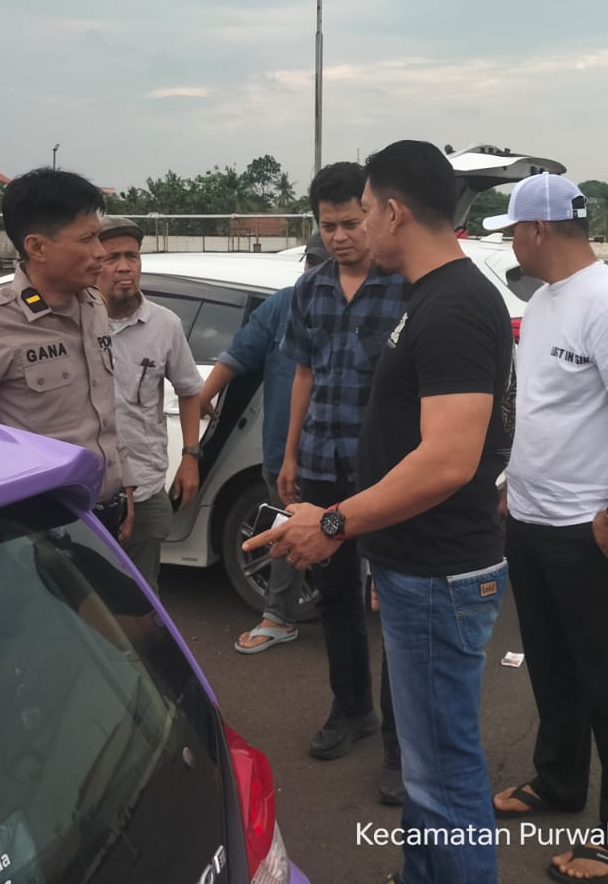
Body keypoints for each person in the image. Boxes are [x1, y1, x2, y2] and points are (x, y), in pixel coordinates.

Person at [248, 140, 515, 884]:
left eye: (364, 211)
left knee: (444, 771)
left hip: (438, 574)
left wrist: (334, 522)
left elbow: (448, 459)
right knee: (428, 768)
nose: (356, 227)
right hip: (417, 567)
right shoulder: (430, 295)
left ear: (394, 213)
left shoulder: (453, 305)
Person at [484, 173, 608, 883]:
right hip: (532, 516)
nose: (511, 242)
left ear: (538, 229)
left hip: (589, 528)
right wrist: (513, 487)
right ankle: (559, 780)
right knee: (551, 662)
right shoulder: (542, 304)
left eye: (513, 230)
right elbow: (541, 408)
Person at [278, 162, 409, 798]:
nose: (339, 236)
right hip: (322, 464)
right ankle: (351, 709)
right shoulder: (310, 290)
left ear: (374, 214)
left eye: (351, 223)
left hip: (385, 474)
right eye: (327, 226)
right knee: (336, 600)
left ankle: (402, 747)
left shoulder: (406, 286)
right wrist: (290, 455)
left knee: (398, 602)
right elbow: (304, 372)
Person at [0, 168, 130, 540]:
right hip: (41, 530)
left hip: (106, 513)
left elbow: (104, 414)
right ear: (37, 247)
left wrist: (124, 487)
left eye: (98, 236)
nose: (101, 252)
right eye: (88, 239)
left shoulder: (93, 305)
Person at [197, 234, 329, 655]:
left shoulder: (357, 306)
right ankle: (278, 617)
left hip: (341, 454)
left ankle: (350, 613)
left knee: (350, 535)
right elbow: (237, 355)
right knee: (285, 535)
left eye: (326, 265)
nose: (316, 273)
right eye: (312, 263)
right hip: (283, 454)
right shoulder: (283, 304)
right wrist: (199, 399)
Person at [96, 215, 203, 590]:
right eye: (112, 257)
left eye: (132, 256)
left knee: (140, 594)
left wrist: (190, 456)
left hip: (144, 485)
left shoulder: (165, 325)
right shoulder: (73, 323)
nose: (124, 267)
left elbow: (189, 391)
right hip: (87, 490)